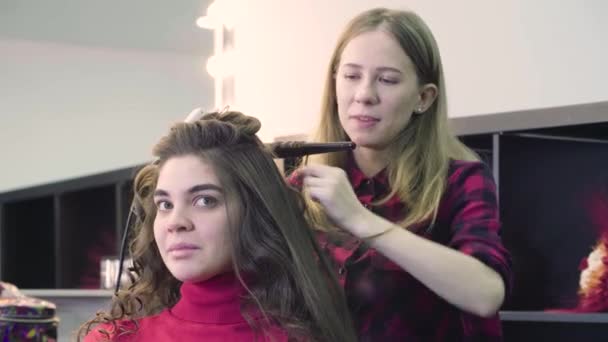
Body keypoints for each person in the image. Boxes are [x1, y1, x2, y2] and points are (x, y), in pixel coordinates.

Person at [289, 7, 513, 341]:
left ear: (424, 98)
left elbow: (485, 294)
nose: (364, 94)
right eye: (351, 76)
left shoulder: (460, 181)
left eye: (387, 80)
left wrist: (362, 221)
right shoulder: (302, 184)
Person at [79, 111, 357, 341]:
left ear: (254, 210)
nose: (176, 222)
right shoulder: (114, 338)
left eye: (204, 200)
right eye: (165, 204)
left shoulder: (302, 337)